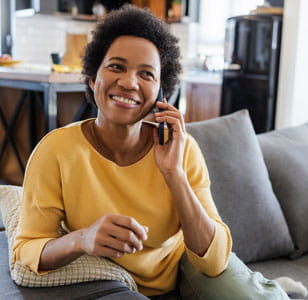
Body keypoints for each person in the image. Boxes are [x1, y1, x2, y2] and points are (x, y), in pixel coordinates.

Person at [13, 5, 290, 300]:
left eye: (146, 74)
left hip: (181, 263)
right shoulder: (56, 150)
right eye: (116, 67)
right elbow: (25, 250)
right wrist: (82, 239)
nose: (130, 82)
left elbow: (214, 260)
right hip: (105, 277)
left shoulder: (182, 150)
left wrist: (174, 173)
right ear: (93, 78)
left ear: (160, 93)